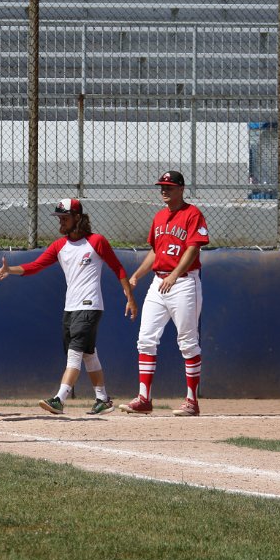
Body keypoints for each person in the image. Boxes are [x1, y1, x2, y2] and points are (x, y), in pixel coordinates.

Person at [0, 199, 137, 415]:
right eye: (59, 218)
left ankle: (59, 399)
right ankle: (103, 399)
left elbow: (118, 268)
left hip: (90, 305)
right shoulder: (59, 245)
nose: (61, 222)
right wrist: (9, 270)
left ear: (78, 217)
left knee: (74, 353)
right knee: (88, 354)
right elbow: (35, 266)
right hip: (71, 308)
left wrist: (130, 298)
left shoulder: (96, 241)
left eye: (65, 218)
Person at [122, 170, 210, 417]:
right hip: (158, 282)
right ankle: (144, 398)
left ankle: (192, 401)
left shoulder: (193, 214)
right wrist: (138, 274)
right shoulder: (160, 216)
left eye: (169, 187)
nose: (164, 190)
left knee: (188, 342)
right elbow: (155, 251)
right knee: (146, 339)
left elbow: (193, 249)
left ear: (181, 189)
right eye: (162, 186)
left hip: (183, 283)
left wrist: (174, 275)